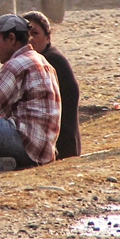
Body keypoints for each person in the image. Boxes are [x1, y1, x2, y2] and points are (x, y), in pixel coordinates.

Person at [0, 14, 61, 171]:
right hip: (43, 148)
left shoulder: (18, 64)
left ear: (11, 39)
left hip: (27, 144)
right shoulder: (41, 60)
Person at [23, 10, 81, 158]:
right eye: (25, 34)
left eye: (35, 33)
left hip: (60, 148)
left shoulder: (50, 62)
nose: (29, 39)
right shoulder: (44, 59)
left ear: (48, 38)